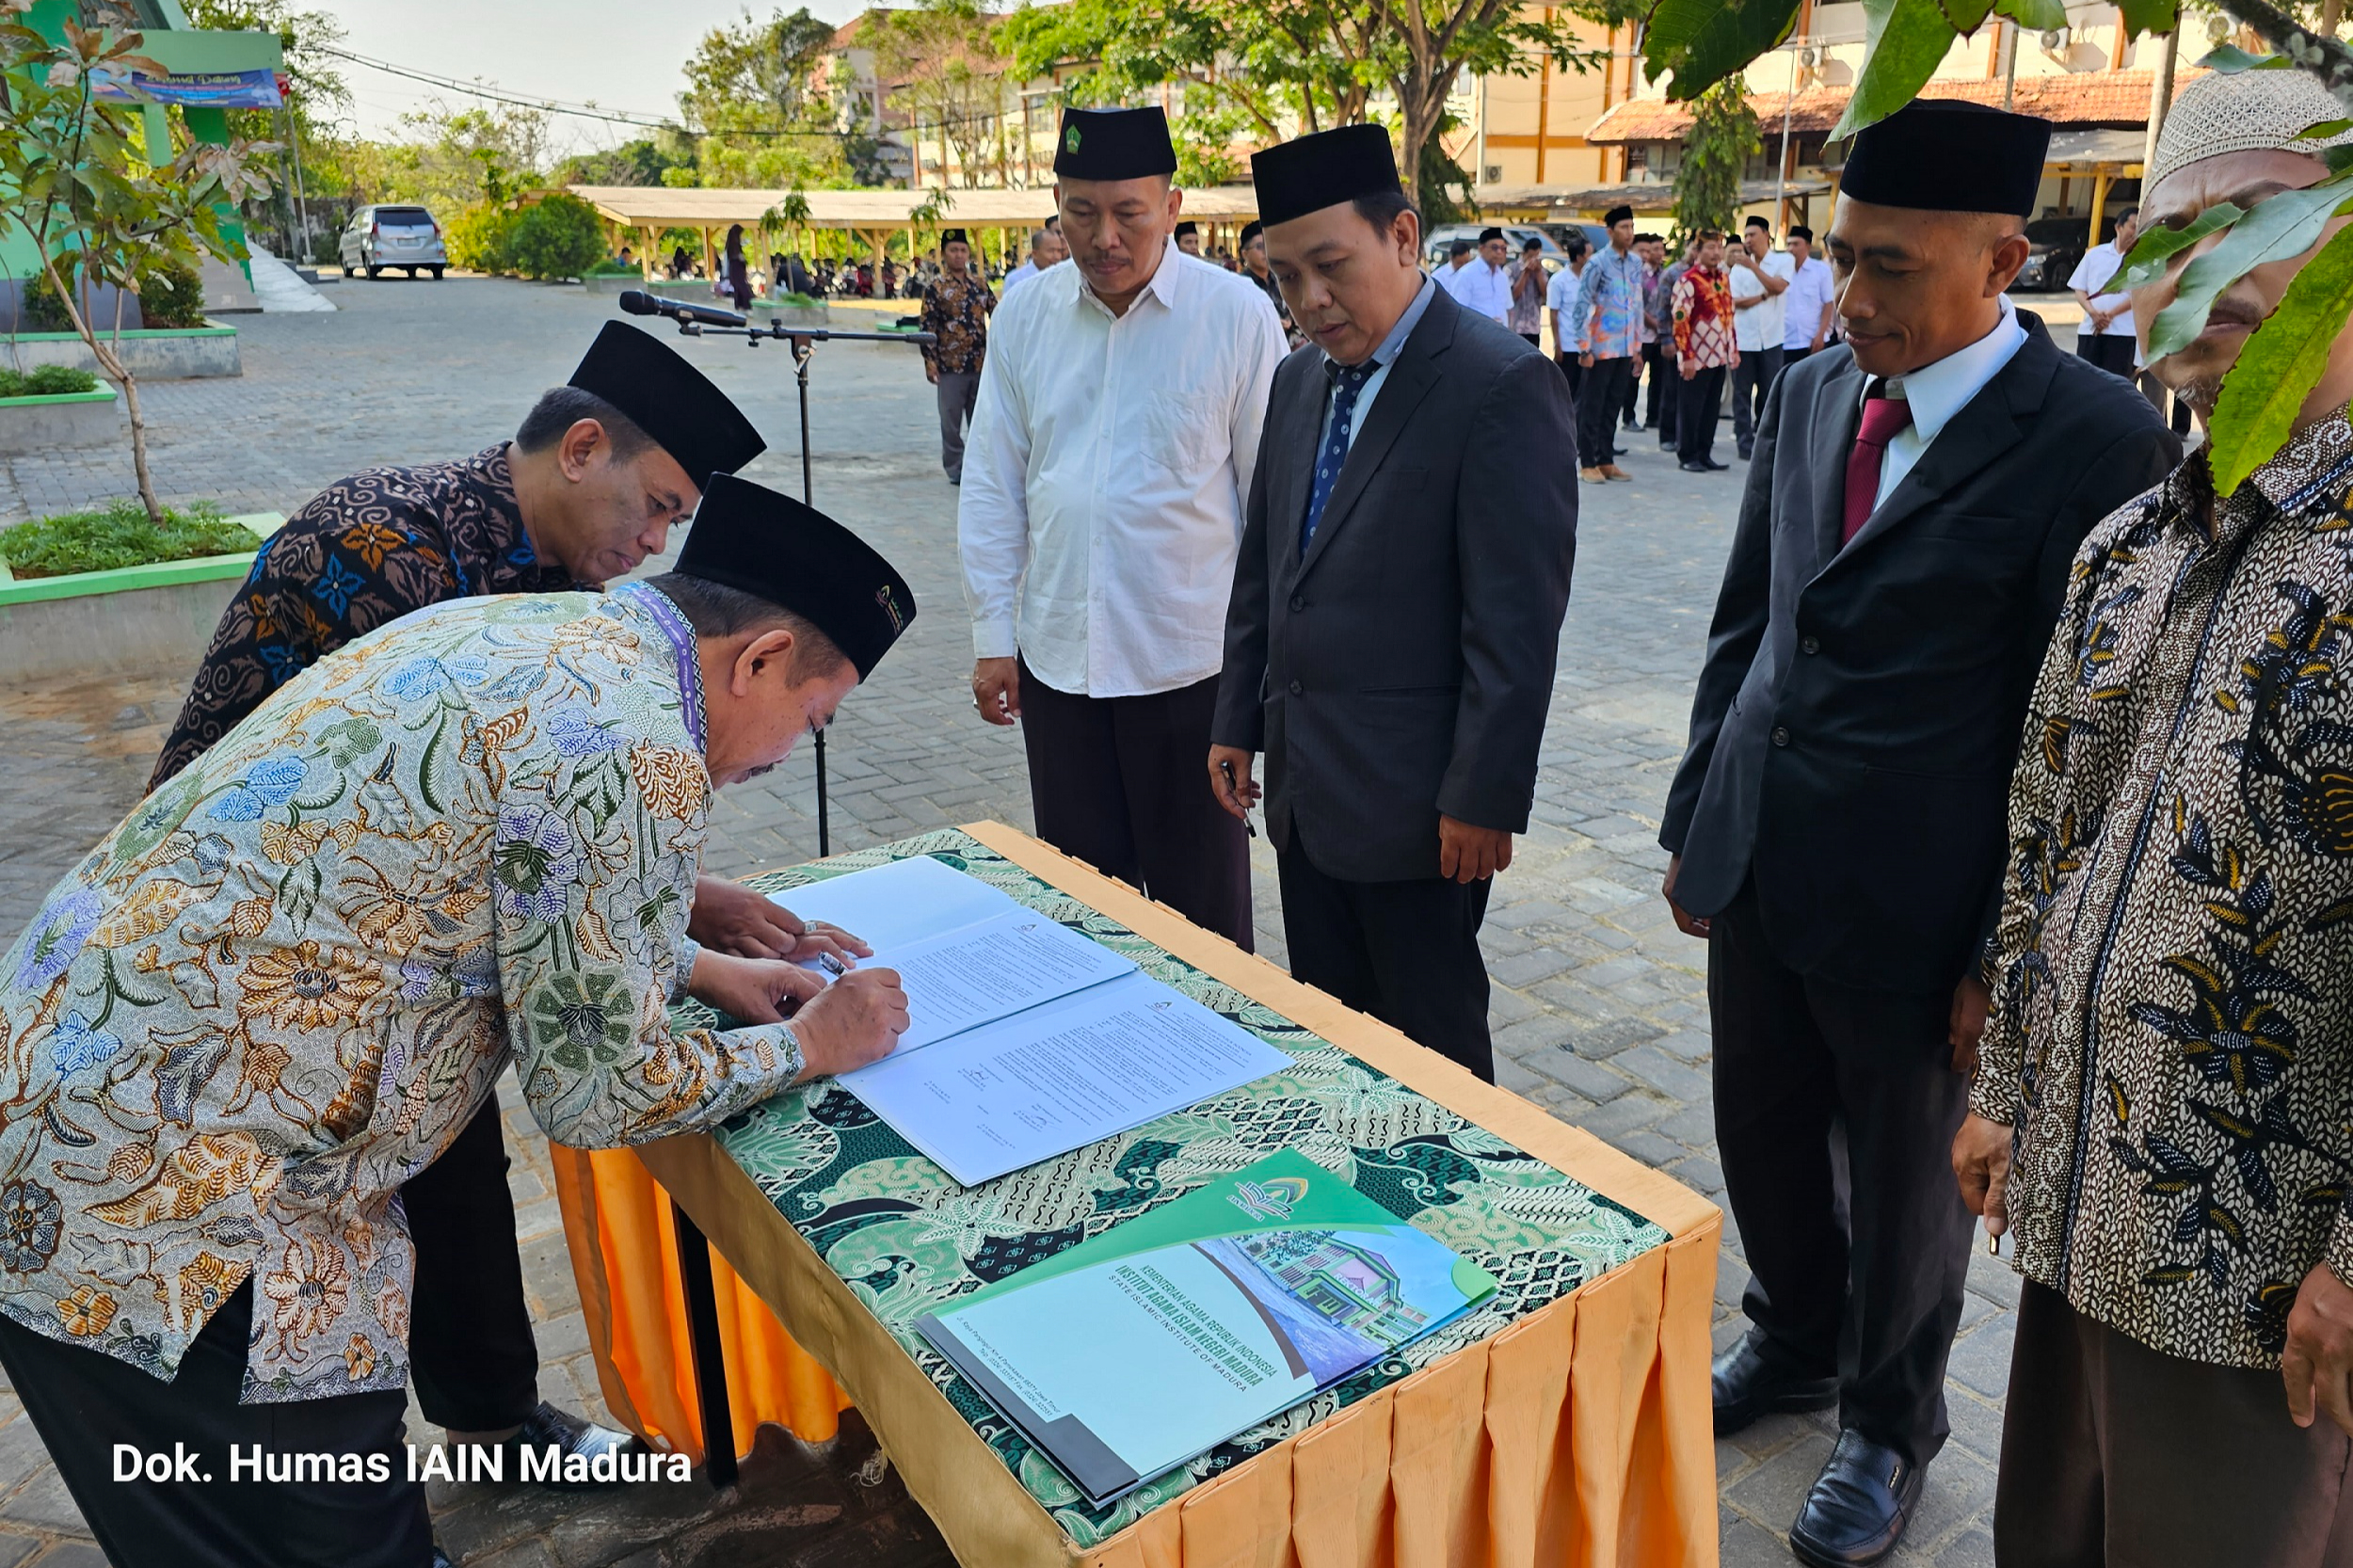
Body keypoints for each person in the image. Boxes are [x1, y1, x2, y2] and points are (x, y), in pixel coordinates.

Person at [0, 474, 920, 1568]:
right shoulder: (634, 743)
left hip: (98, 1090)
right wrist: (813, 1043)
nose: (788, 753)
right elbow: (597, 1091)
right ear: (759, 657)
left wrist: (690, 962)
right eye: (813, 718)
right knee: (302, 1531)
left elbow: (468, 880)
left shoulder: (538, 631)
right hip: (172, 1203)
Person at [142, 321, 821, 1481]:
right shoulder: (382, 549)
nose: (654, 543)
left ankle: (492, 1422)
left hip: (397, 959)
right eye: (652, 507)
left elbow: (516, 830)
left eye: (675, 525)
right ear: (582, 449)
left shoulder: (561, 579)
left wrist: (687, 903)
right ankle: (322, 1490)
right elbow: (427, 844)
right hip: (262, 970)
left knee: (455, 1161)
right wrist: (700, 965)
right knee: (321, 1244)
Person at [1659, 99, 2178, 1568]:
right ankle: (1796, 1338)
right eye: (1842, 259)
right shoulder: (1817, 389)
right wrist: (1703, 809)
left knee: (1908, 1194)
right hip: (1767, 857)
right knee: (1760, 1135)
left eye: (1889, 268)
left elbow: (2083, 738)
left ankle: (1890, 1422)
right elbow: (1751, 618)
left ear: (2004, 256)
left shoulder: (2097, 444)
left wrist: (1997, 961)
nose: (1851, 298)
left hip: (1926, 902)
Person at [1955, 66, 2353, 1566]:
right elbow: (2047, 845)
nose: (2210, 275)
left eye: (2264, 221)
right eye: (2172, 238)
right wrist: (2004, 1082)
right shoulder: (2129, 543)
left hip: (2261, 1282)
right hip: (2073, 1212)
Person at [1210, 123, 1577, 1082]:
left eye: (1330, 267)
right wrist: (1236, 718)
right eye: (1285, 277)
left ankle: (1454, 1211)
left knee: (1432, 1047)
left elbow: (1515, 624)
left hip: (1422, 809)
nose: (1310, 300)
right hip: (1306, 785)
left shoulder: (1498, 384)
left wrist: (1484, 793)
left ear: (1404, 237)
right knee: (1332, 1036)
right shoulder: (1296, 384)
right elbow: (1265, 570)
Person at [959, 106, 1286, 949]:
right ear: (1057, 207)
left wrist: (1260, 685)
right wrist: (996, 632)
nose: (1103, 236)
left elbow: (1271, 510)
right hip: (1059, 668)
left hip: (1191, 672)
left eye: (1128, 213)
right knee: (1078, 918)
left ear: (1172, 208)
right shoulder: (1026, 313)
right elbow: (996, 481)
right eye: (1080, 212)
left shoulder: (1236, 315)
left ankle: (1212, 1073)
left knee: (1203, 930)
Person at [1571, 204, 1644, 485]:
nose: (1629, 232)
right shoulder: (1598, 263)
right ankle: (1587, 461)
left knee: (1613, 404)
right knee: (1593, 405)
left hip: (1625, 347)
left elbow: (1637, 305)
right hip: (1600, 347)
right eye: (1624, 227)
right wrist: (1583, 346)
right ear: (1610, 231)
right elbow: (1582, 305)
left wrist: (1637, 346)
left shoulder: (1635, 263)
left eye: (1631, 227)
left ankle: (1606, 459)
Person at [920, 227, 995, 487]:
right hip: (949, 366)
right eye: (953, 250)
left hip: (980, 363)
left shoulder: (980, 285)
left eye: (963, 250)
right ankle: (955, 468)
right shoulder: (936, 288)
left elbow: (999, 314)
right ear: (944, 254)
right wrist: (929, 362)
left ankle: (979, 467)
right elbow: (927, 327)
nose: (959, 255)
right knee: (950, 423)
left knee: (981, 421)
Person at [1727, 215, 1795, 460]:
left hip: (1772, 340)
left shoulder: (1782, 260)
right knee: (1742, 394)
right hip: (1744, 340)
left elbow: (1778, 286)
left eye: (1752, 235)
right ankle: (1744, 444)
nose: (1748, 240)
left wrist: (1754, 267)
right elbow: (1735, 302)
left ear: (1766, 235)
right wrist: (1762, 297)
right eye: (1745, 236)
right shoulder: (1737, 268)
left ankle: (1766, 443)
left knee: (1769, 393)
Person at [1670, 231, 1736, 472]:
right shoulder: (1688, 280)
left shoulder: (1724, 279)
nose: (1716, 252)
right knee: (1691, 408)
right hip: (1695, 358)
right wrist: (1685, 356)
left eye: (1719, 247)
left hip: (1719, 356)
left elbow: (1729, 316)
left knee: (1710, 409)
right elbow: (1679, 319)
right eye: (1710, 247)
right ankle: (1687, 455)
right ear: (1697, 251)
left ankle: (1704, 452)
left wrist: (1733, 349)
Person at [2067, 204, 2141, 381]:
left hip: (2123, 334)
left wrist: (2109, 315)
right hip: (2091, 331)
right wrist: (2093, 313)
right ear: (2118, 227)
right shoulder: (2094, 255)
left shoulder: (2141, 260)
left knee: (2117, 386)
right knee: (2085, 382)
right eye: (2133, 227)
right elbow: (2080, 289)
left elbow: (2138, 296)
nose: (2136, 232)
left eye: (2140, 229)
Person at [1653, 232, 1697, 449]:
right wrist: (1666, 339)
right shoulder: (1673, 273)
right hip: (1674, 339)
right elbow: (1662, 309)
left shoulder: (1712, 275)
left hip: (1698, 343)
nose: (1699, 252)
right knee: (1671, 389)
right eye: (1696, 247)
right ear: (1687, 246)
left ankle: (1687, 436)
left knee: (1691, 394)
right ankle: (1667, 436)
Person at [1624, 232, 1663, 434]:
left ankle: (1653, 417)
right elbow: (1637, 306)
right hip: (1640, 334)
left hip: (1659, 335)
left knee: (1658, 379)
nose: (1647, 255)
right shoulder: (1635, 275)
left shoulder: (1662, 274)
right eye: (1643, 250)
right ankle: (1629, 417)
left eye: (1651, 250)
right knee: (1634, 377)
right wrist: (1653, 323)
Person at [1239, 218, 1301, 345]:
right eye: (1260, 247)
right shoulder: (1242, 286)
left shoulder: (1280, 278)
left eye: (1268, 245)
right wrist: (1272, 323)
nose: (1265, 252)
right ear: (1245, 254)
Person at [1780, 223, 1835, 365]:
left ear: (1808, 246)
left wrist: (1820, 334)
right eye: (1789, 244)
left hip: (1812, 341)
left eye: (1796, 244)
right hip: (1785, 342)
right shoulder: (1780, 272)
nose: (1791, 249)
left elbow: (1828, 304)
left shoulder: (1821, 271)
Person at [1441, 226, 1513, 325]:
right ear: (1482, 249)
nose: (1499, 252)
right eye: (1495, 248)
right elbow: (1457, 312)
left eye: (1503, 248)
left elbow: (1508, 309)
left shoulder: (1502, 277)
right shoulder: (1466, 275)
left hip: (1501, 336)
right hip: (1476, 336)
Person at [1507, 233, 1546, 346]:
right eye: (1531, 257)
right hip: (1516, 326)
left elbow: (1545, 294)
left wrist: (1538, 273)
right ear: (1525, 253)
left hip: (1534, 327)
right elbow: (1514, 295)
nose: (1533, 261)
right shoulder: (1511, 269)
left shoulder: (1540, 270)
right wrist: (1526, 272)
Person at [723, 224, 752, 312]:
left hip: (734, 267)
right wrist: (744, 261)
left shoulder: (731, 243)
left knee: (738, 287)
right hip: (737, 267)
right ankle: (746, 304)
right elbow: (737, 256)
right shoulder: (734, 243)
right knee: (742, 286)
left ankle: (739, 304)